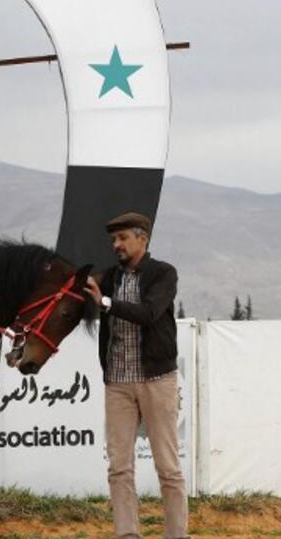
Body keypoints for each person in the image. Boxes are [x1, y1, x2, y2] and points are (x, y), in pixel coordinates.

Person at [83, 211, 188, 539]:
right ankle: (127, 535)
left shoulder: (163, 274)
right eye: (114, 240)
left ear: (143, 238)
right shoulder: (109, 278)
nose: (117, 245)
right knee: (119, 468)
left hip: (157, 381)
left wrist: (105, 302)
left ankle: (176, 535)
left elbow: (148, 313)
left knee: (168, 468)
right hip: (117, 383)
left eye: (123, 238)